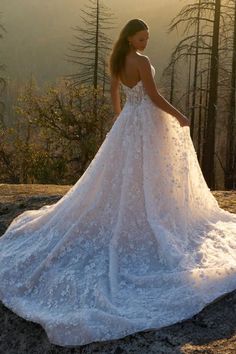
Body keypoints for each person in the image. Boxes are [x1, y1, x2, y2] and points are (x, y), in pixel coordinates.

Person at [0, 18, 235, 348]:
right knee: (150, 172)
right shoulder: (140, 62)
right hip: (148, 121)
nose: (145, 43)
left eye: (147, 38)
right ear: (130, 38)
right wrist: (179, 115)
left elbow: (115, 93)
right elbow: (153, 96)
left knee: (126, 173)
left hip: (129, 123)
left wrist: (121, 118)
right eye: (141, 37)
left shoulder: (117, 60)